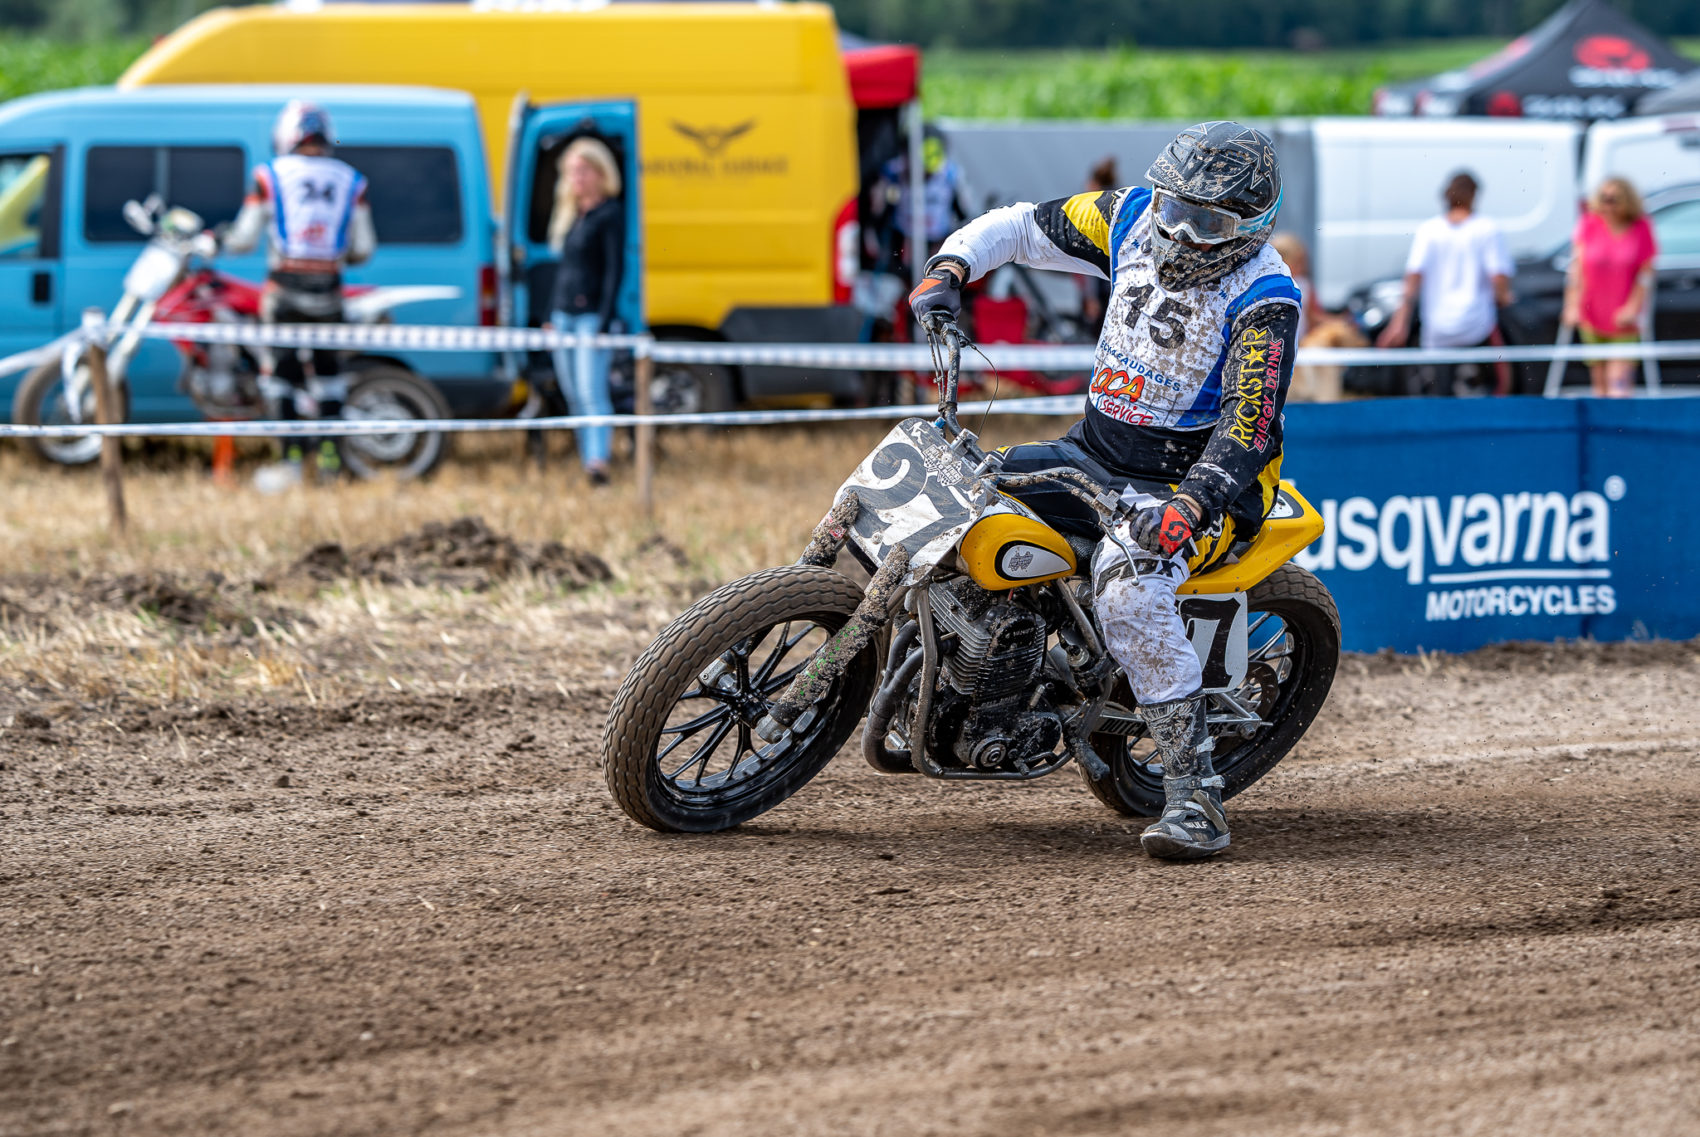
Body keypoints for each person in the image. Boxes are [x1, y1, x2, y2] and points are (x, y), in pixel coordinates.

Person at [909, 121, 1298, 861]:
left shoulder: (1265, 297)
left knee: (1129, 591)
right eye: (1175, 210)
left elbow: (1249, 424)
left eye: (1208, 224)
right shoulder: (1130, 216)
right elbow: (1020, 227)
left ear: (1253, 225)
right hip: (1094, 450)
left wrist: (1190, 505)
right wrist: (950, 266)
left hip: (1195, 482)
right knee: (959, 492)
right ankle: (972, 676)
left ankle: (1195, 796)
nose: (1181, 234)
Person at [223, 100, 376, 480]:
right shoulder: (352, 181)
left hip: (284, 292)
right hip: (330, 293)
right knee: (329, 377)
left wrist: (219, 239)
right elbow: (363, 249)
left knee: (280, 376)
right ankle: (329, 460)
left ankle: (291, 459)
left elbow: (243, 239)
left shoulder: (268, 176)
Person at [1376, 171, 1514, 396]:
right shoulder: (1487, 228)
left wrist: (1399, 321)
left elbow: (1412, 278)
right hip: (1476, 326)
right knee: (1500, 385)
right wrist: (1504, 297)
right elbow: (1498, 278)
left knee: (1440, 392)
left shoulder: (1429, 230)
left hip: (1438, 328)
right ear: (1474, 195)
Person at [545, 137, 625, 486]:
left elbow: (614, 272)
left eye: (583, 170)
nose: (576, 177)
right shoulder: (571, 214)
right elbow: (563, 272)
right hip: (563, 316)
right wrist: (549, 315)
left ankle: (598, 463)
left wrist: (604, 323)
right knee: (574, 394)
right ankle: (586, 461)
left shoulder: (610, 214)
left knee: (593, 392)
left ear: (600, 173)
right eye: (572, 171)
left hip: (591, 318)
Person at [1564, 176, 1657, 398]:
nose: (1607, 205)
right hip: (1591, 314)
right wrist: (1571, 305)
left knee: (1619, 389)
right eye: (1603, 198)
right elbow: (1577, 269)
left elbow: (1646, 274)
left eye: (1613, 199)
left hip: (1623, 319)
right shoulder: (1589, 224)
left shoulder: (1640, 227)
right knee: (1600, 389)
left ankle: (1622, 420)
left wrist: (1633, 307)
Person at [1270, 232, 1365, 402]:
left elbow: (1314, 317)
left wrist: (1338, 322)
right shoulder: (1277, 286)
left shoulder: (1304, 285)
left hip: (1299, 346)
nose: (1304, 266)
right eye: (1300, 261)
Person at [1079, 157, 1118, 335]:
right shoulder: (1118, 206)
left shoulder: (1093, 212)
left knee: (1096, 334)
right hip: (1115, 284)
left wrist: (1090, 297)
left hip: (1100, 287)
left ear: (1094, 184)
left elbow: (1090, 257)